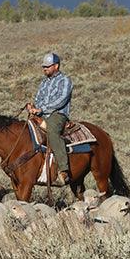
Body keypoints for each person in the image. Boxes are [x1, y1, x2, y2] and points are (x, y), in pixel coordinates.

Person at [26, 52, 73, 185]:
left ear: (56, 66)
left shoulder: (65, 80)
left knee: (52, 131)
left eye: (47, 66)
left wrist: (41, 109)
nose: (44, 68)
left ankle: (64, 169)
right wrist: (33, 108)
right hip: (42, 114)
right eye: (43, 66)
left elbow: (61, 100)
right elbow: (38, 98)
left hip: (57, 114)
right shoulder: (43, 83)